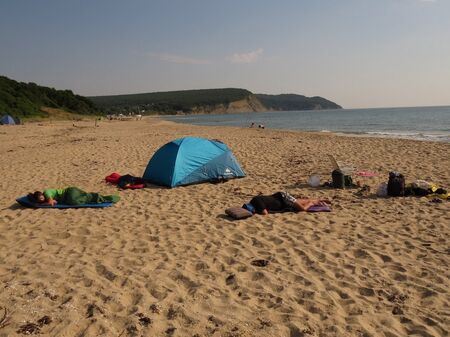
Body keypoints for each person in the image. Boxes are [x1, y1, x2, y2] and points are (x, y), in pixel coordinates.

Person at [243, 191, 330, 215]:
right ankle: (318, 200)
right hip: (282, 196)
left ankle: (312, 203)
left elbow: (265, 213)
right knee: (299, 201)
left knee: (303, 209)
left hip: (284, 199)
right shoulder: (254, 199)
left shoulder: (258, 204)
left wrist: (257, 213)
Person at [27, 187, 120, 206]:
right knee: (87, 197)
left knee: (74, 202)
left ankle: (105, 198)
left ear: (41, 194)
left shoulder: (47, 192)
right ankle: (110, 197)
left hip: (69, 193)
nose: (42, 199)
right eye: (41, 200)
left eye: (41, 197)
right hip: (71, 193)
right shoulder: (44, 199)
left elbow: (50, 200)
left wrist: (48, 201)